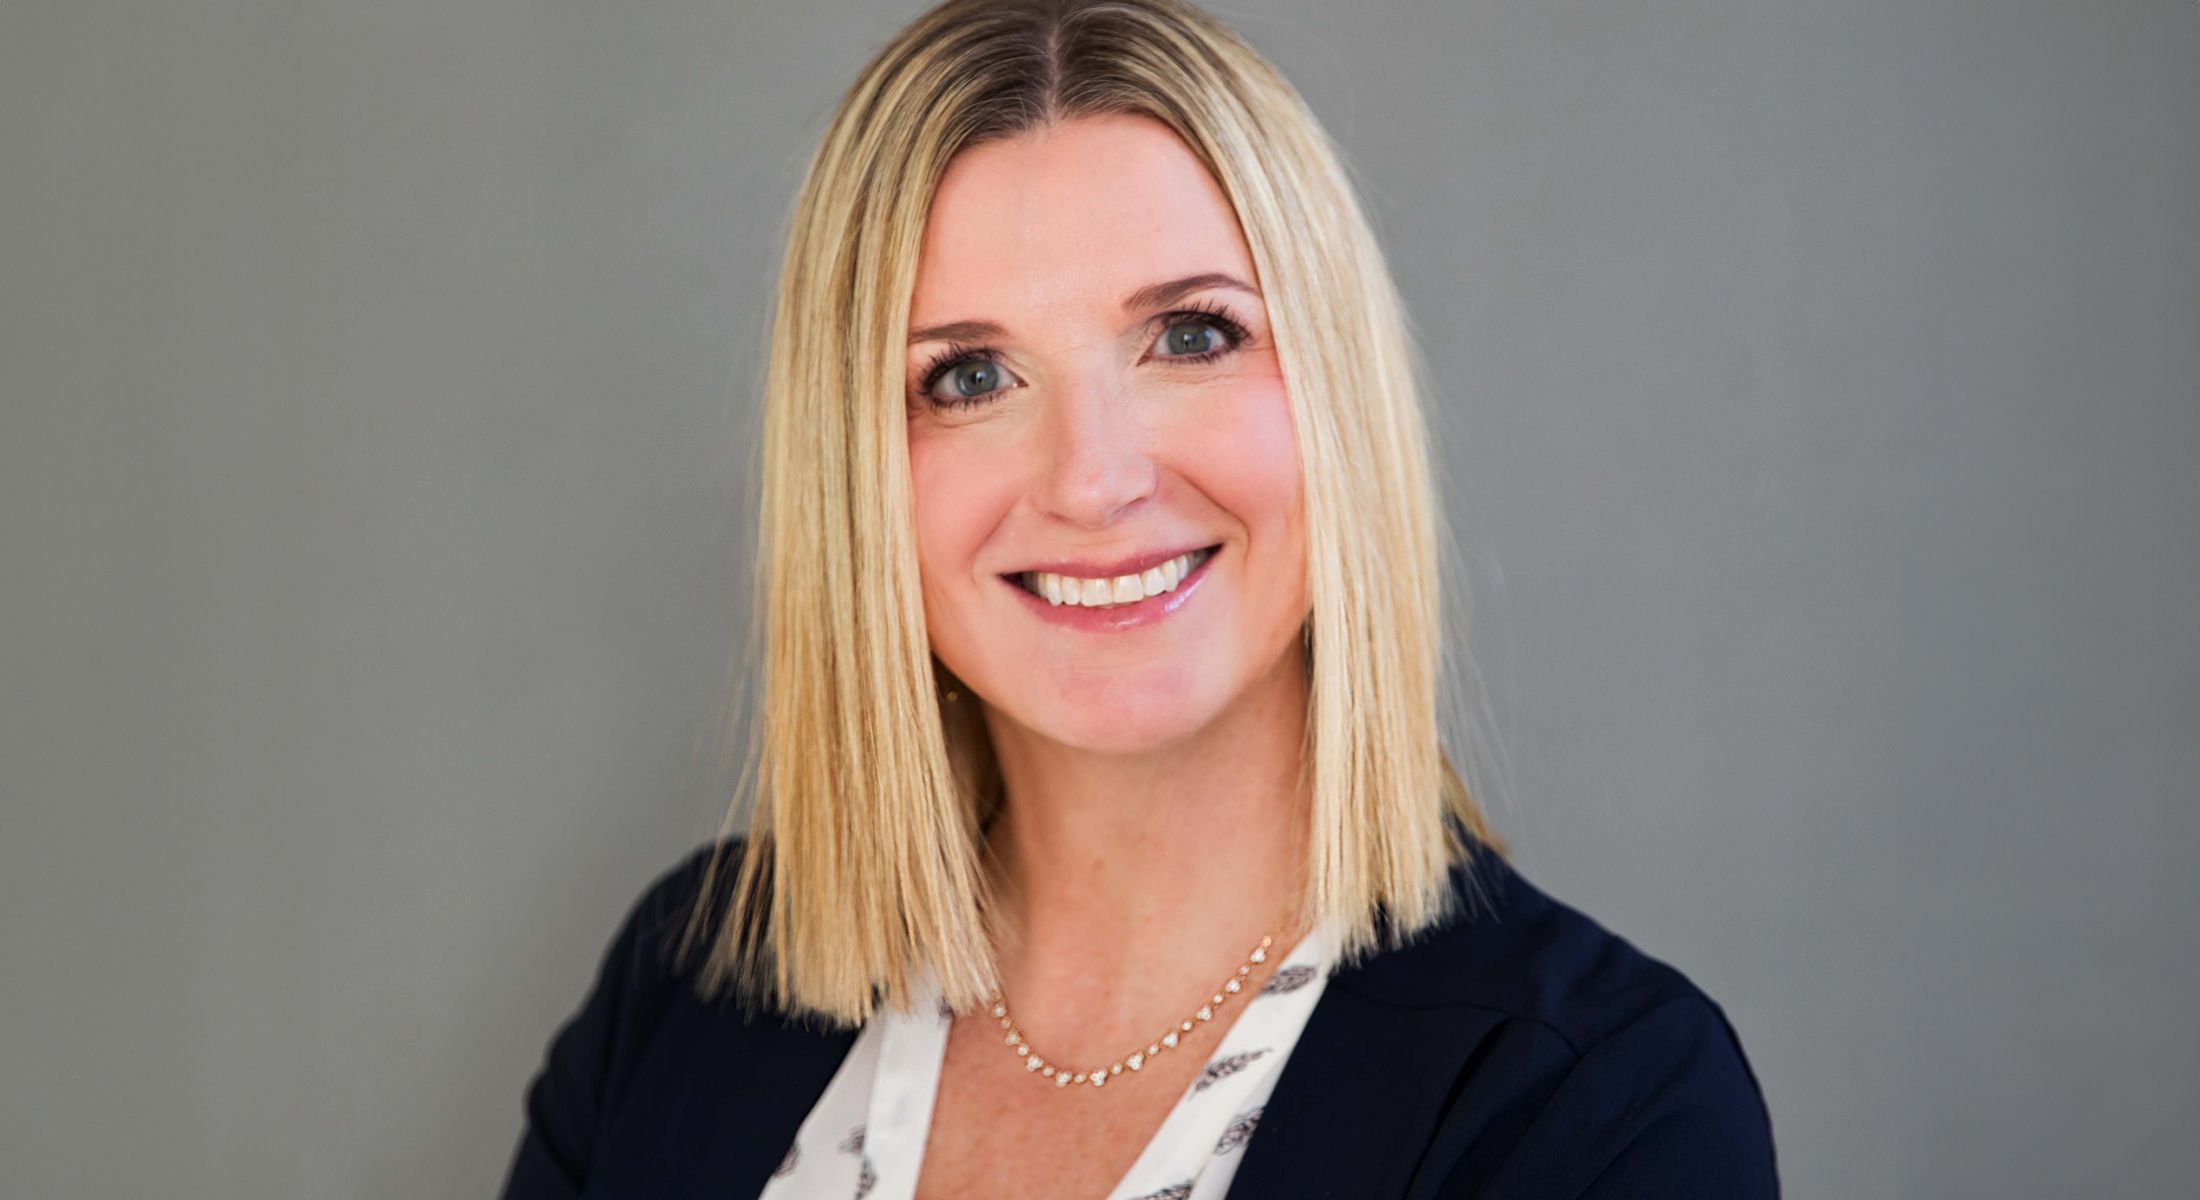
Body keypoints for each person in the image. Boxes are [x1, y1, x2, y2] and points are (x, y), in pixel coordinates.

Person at [496, 0, 1780, 1196]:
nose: (1093, 481)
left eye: (1192, 335)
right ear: (852, 474)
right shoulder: (689, 985)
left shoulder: (1594, 1106)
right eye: (968, 376)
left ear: (1341, 397)